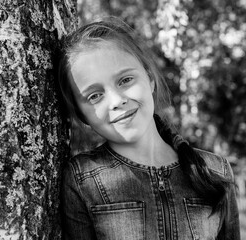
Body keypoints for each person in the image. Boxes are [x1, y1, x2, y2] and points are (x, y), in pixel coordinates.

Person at [58, 17, 240, 240]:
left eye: (125, 80)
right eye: (95, 96)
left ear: (150, 79)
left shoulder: (215, 171)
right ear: (81, 114)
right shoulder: (82, 179)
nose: (116, 100)